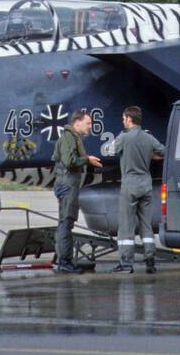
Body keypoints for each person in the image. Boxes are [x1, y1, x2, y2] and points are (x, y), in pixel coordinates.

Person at [110, 106, 165, 274]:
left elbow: (111, 151)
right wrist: (151, 156)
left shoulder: (124, 138)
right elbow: (163, 151)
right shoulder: (148, 138)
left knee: (127, 224)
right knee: (145, 224)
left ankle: (126, 263)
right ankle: (150, 260)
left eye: (123, 118)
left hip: (130, 184)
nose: (122, 121)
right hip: (146, 184)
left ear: (129, 119)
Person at [53, 110, 102, 273]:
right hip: (67, 185)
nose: (90, 126)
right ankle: (64, 262)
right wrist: (87, 159)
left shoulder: (72, 137)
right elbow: (69, 162)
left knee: (66, 222)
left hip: (67, 184)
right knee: (66, 222)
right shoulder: (68, 137)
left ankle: (63, 260)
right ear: (77, 123)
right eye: (88, 123)